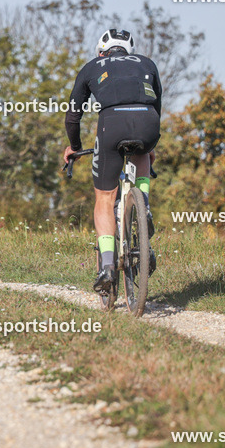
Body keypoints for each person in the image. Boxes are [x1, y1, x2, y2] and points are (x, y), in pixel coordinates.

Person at [62, 29, 162, 295]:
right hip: (148, 122)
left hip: (113, 123)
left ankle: (107, 266)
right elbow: (157, 104)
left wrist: (74, 148)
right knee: (142, 153)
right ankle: (144, 205)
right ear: (129, 51)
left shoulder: (92, 67)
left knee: (105, 198)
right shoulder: (147, 63)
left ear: (101, 52)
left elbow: (73, 116)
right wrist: (151, 145)